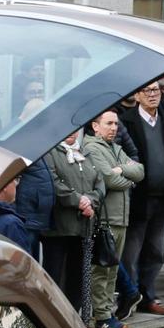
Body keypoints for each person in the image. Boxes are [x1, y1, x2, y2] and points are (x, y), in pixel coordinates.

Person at [83, 110, 145, 328]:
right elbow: (108, 179)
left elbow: (140, 170)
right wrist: (129, 180)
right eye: (108, 123)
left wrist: (122, 170)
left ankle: (106, 312)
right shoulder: (91, 148)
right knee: (102, 269)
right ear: (95, 126)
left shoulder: (116, 148)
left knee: (113, 269)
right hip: (105, 219)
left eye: (116, 124)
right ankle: (101, 315)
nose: (113, 128)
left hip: (121, 218)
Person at [120, 81, 164, 316]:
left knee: (155, 251)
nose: (153, 95)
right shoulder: (128, 122)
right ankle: (130, 296)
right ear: (136, 95)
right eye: (147, 90)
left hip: (163, 197)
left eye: (156, 90)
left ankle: (148, 296)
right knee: (131, 252)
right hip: (139, 197)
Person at [45, 130, 105, 314]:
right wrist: (78, 200)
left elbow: (100, 183)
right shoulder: (50, 152)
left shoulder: (86, 152)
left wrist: (90, 201)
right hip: (59, 227)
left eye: (74, 129)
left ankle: (73, 317)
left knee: (77, 276)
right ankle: (53, 317)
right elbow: (53, 182)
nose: (70, 133)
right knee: (54, 276)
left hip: (83, 227)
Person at [0, 177, 32, 254]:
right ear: (5, 185)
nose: (16, 184)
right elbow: (22, 260)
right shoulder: (12, 224)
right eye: (15, 180)